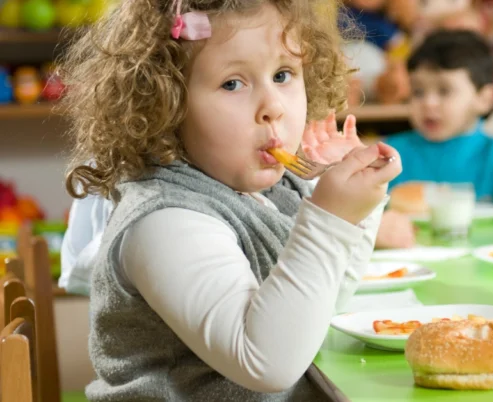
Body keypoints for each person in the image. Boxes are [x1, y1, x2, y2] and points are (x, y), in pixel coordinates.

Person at [57, 0, 401, 400]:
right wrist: (329, 218)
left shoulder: (269, 191)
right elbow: (265, 362)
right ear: (165, 105)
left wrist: (358, 210)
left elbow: (324, 303)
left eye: (283, 74)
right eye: (233, 83)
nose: (273, 106)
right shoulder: (164, 221)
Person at [387, 29, 493, 214]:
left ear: (484, 99)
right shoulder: (392, 153)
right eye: (418, 92)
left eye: (444, 91)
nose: (428, 103)